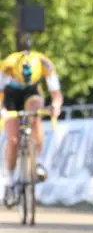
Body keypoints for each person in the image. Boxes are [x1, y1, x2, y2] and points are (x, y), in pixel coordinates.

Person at [0, 33, 63, 206]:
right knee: (13, 140)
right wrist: (2, 110)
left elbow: (56, 93)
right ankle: (10, 182)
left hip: (31, 94)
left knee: (35, 113)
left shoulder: (45, 64)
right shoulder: (8, 65)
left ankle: (38, 161)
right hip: (11, 96)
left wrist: (55, 106)